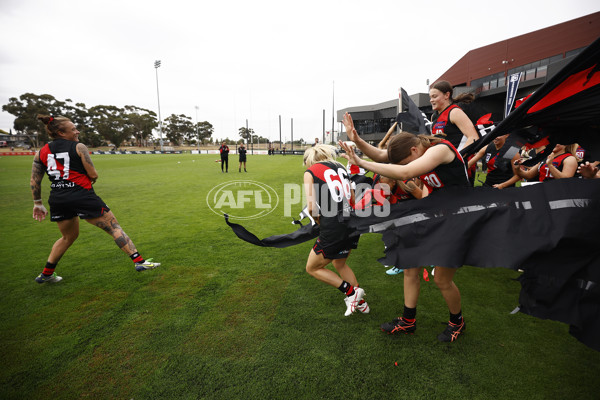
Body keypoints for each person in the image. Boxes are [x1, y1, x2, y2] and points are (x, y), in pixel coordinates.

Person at [341, 111, 469, 342]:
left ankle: (457, 322)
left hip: (458, 219)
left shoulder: (440, 149)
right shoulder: (418, 150)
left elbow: (406, 171)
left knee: (441, 279)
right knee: (410, 267)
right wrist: (358, 141)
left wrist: (360, 163)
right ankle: (408, 321)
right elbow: (382, 156)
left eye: (404, 161)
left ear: (413, 151)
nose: (404, 168)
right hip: (436, 215)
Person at [30, 115, 160, 284]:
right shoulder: (79, 147)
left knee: (68, 237)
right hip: (82, 195)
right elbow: (93, 174)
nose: (77, 131)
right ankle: (140, 262)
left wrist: (37, 203)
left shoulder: (41, 152)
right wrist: (88, 178)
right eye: (73, 129)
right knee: (114, 228)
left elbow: (35, 180)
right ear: (61, 132)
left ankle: (46, 274)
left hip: (58, 199)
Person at [303, 144, 369, 317]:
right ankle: (361, 303)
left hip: (334, 225)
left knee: (312, 268)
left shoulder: (310, 171)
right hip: (353, 222)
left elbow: (311, 207)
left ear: (310, 160)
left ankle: (351, 293)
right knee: (339, 263)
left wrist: (318, 221)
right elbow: (353, 198)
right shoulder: (340, 167)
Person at [513, 143, 579, 182]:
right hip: (543, 193)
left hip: (558, 194)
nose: (554, 144)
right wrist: (518, 168)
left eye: (558, 142)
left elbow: (566, 181)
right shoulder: (546, 156)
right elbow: (529, 175)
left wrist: (550, 165)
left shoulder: (570, 159)